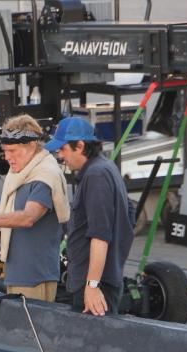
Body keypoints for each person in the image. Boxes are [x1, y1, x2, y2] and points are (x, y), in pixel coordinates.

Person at [0, 114, 69, 301]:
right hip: (18, 272)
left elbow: (28, 218)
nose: (7, 157)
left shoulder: (44, 177)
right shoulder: (21, 171)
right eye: (5, 151)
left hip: (35, 276)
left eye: (13, 151)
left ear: (31, 146)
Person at [45, 117, 134, 316]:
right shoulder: (106, 167)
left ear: (80, 146)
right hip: (104, 279)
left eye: (62, 149)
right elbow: (129, 216)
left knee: (92, 344)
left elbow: (100, 236)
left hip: (96, 286)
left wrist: (92, 285)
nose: (59, 155)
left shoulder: (96, 176)